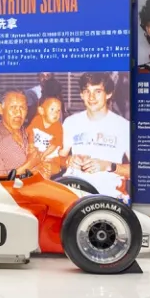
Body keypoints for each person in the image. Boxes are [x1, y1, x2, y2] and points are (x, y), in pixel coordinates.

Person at [59, 73, 131, 203]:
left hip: (108, 197)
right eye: (87, 91)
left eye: (98, 91)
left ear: (108, 94)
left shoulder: (124, 126)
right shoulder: (70, 122)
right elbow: (57, 161)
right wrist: (69, 161)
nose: (91, 97)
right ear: (81, 94)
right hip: (73, 194)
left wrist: (109, 166)